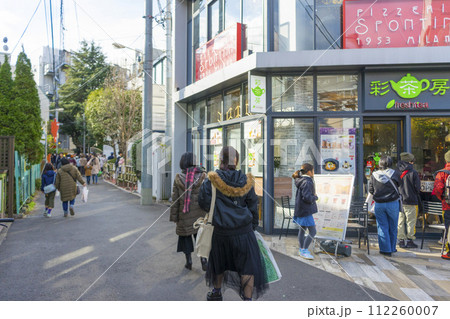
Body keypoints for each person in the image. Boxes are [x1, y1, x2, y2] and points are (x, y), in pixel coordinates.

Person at [198, 146, 267, 301]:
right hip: (244, 232)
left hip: (220, 231)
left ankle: (216, 292)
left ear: (220, 160)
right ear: (236, 161)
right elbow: (253, 206)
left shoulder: (211, 180)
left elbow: (204, 204)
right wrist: (252, 227)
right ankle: (247, 300)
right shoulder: (246, 181)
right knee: (247, 267)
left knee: (218, 263)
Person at [170, 152, 208, 271]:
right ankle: (203, 259)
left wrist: (174, 217)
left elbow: (175, 201)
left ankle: (189, 261)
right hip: (200, 214)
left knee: (185, 238)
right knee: (200, 236)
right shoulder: (203, 176)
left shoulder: (178, 178)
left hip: (184, 214)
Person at [369, 156, 401, 257]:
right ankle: (392, 248)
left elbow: (370, 190)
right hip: (393, 203)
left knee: (382, 226)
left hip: (379, 204)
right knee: (393, 226)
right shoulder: (395, 173)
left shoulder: (374, 175)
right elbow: (400, 185)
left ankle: (385, 250)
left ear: (380, 164)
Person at [292, 163, 318, 260]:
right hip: (306, 210)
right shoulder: (308, 182)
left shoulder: (301, 180)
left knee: (302, 230)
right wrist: (315, 197)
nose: (314, 173)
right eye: (313, 171)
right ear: (309, 172)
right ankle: (304, 250)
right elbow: (307, 197)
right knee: (313, 231)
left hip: (301, 209)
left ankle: (301, 249)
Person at [397, 152, 421, 249]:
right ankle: (410, 240)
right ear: (410, 162)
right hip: (411, 200)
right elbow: (417, 188)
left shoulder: (397, 172)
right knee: (411, 221)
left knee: (400, 221)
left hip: (399, 201)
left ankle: (401, 240)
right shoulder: (413, 172)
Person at [431, 150, 450, 260]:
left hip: (447, 206)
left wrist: (443, 199)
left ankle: (449, 252)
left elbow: (438, 189)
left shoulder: (442, 173)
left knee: (449, 228)